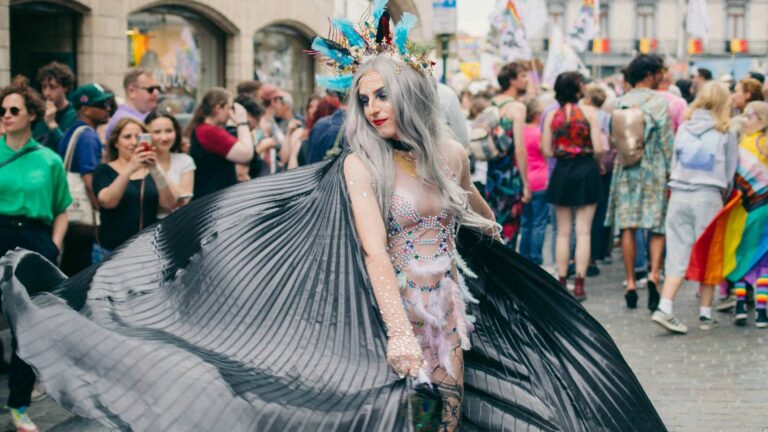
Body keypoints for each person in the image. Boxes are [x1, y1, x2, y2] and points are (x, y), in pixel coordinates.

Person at [0, 4, 667, 431]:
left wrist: (492, 230)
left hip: (451, 304)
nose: (373, 107)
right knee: (404, 410)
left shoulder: (450, 152)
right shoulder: (359, 165)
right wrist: (399, 332)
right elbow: (376, 252)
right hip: (385, 304)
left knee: (453, 412)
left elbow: (473, 208)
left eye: (382, 95)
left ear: (406, 93)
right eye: (364, 97)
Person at [0, 81, 72, 432]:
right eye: (2, 111)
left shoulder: (48, 159)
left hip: (34, 238)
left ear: (32, 114)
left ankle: (19, 406)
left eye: (14, 110)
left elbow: (62, 208)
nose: (7, 116)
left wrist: (55, 245)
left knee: (27, 327)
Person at [651, 82, 738, 334]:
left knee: (676, 251)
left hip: (678, 193)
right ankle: (705, 312)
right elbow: (730, 172)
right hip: (709, 195)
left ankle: (665, 307)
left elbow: (674, 161)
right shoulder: (725, 131)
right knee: (710, 252)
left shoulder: (684, 127)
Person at [686, 101, 768, 329]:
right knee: (762, 263)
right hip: (765, 210)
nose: (745, 119)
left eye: (749, 116)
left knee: (741, 257)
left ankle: (741, 306)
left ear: (760, 120)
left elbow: (733, 177)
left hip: (743, 211)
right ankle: (761, 312)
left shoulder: (744, 144)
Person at [607, 54, 673, 310]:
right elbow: (667, 141)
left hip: (626, 170)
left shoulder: (622, 101)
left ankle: (631, 281)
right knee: (656, 225)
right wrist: (670, 171)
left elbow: (614, 140)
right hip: (654, 169)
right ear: (649, 74)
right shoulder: (659, 102)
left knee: (628, 227)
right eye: (659, 73)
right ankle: (654, 275)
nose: (662, 77)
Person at [542, 72, 603, 301]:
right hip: (586, 170)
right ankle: (579, 284)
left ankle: (562, 282)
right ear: (578, 90)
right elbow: (598, 148)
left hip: (562, 171)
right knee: (584, 231)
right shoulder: (589, 113)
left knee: (563, 233)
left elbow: (546, 150)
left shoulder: (551, 116)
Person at [92, 117, 176, 261]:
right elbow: (107, 202)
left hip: (146, 253)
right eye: (127, 137)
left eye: (138, 137)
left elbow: (169, 204)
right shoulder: (103, 171)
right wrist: (130, 167)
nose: (133, 142)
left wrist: (155, 168)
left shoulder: (152, 172)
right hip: (109, 253)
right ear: (116, 142)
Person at [57, 83, 113, 276]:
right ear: (85, 109)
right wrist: (100, 209)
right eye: (102, 105)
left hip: (70, 217)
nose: (108, 108)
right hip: (83, 218)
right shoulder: (88, 136)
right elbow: (89, 179)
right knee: (83, 269)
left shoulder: (72, 131)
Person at [488, 62, 531, 247]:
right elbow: (520, 149)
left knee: (495, 223)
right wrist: (526, 184)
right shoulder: (517, 108)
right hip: (510, 176)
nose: (527, 80)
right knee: (510, 226)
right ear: (512, 81)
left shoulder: (494, 102)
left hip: (493, 173)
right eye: (523, 76)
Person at [187, 87, 254, 199]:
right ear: (218, 108)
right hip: (212, 199)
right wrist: (242, 122)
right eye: (229, 107)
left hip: (212, 196)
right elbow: (245, 154)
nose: (231, 113)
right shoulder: (209, 132)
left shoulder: (204, 129)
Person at [582, 84, 614, 273]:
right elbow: (608, 144)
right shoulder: (607, 117)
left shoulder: (583, 114)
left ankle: (583, 257)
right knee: (599, 212)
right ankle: (597, 252)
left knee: (580, 220)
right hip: (603, 168)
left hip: (585, 164)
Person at [145, 111, 195, 217]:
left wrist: (157, 166)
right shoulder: (141, 162)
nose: (164, 137)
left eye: (169, 131)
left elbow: (183, 201)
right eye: (157, 132)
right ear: (146, 135)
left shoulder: (185, 161)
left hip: (176, 224)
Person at [518, 97, 548, 266]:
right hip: (540, 181)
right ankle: (535, 258)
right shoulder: (539, 133)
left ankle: (523, 256)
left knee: (526, 222)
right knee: (539, 223)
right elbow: (545, 154)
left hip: (524, 181)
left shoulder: (520, 131)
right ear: (537, 114)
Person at [103, 68, 160, 139]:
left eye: (158, 89)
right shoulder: (124, 121)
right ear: (131, 91)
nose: (156, 93)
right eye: (150, 89)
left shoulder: (145, 116)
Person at [32, 62, 77, 150]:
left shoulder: (74, 115)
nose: (47, 93)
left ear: (65, 88)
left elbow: (68, 149)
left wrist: (51, 124)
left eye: (53, 87)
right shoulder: (40, 114)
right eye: (44, 87)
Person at [291, 95, 340, 168]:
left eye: (318, 107)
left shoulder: (330, 132)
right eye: (311, 107)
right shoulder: (300, 133)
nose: (314, 110)